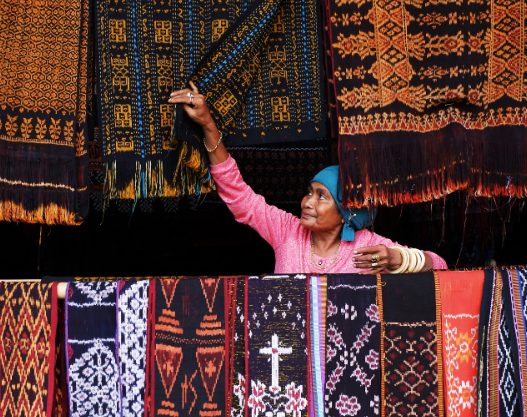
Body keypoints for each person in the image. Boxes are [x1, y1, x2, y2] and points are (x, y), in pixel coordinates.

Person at [168, 83, 448, 274]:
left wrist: (398, 259)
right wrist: (208, 125)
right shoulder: (287, 232)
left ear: (346, 213)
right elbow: (241, 197)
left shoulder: (368, 248)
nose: (307, 202)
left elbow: (440, 266)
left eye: (322, 196)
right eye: (309, 192)